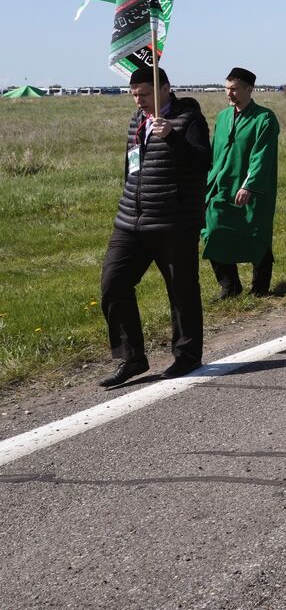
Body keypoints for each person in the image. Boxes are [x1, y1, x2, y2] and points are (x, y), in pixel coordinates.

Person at [98, 66, 212, 387]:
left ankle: (187, 355)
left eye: (145, 94)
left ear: (165, 88)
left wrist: (172, 137)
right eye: (134, 95)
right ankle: (131, 357)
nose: (139, 101)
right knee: (113, 284)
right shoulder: (137, 121)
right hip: (131, 220)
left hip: (173, 221)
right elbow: (131, 168)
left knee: (181, 290)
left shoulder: (189, 120)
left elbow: (203, 162)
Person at [203, 67, 279, 300]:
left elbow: (262, 156)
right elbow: (215, 149)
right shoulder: (223, 117)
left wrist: (249, 185)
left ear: (249, 89)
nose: (229, 94)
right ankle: (229, 285)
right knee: (213, 231)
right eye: (227, 89)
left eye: (234, 89)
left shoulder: (264, 118)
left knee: (256, 234)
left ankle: (260, 287)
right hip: (220, 185)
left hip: (251, 188)